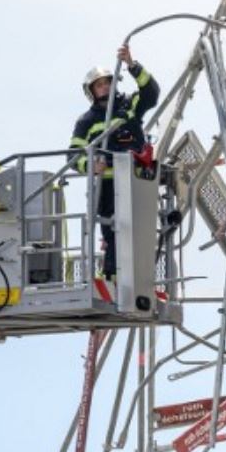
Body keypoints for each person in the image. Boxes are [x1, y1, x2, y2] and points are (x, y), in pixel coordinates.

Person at [70, 45, 160, 278]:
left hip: (136, 181)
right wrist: (91, 165)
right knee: (113, 234)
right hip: (107, 187)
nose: (105, 87)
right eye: (99, 85)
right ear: (91, 91)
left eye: (108, 82)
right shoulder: (86, 122)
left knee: (140, 231)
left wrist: (132, 64)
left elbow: (152, 93)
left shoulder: (129, 105)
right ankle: (112, 277)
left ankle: (140, 276)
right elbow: (72, 156)